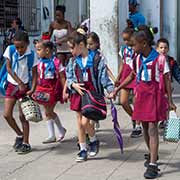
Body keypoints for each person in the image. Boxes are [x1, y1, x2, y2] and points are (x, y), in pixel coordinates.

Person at [112, 25, 176, 179]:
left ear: (144, 44)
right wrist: (117, 88)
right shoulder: (137, 59)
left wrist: (170, 101)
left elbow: (167, 80)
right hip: (140, 96)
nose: (132, 47)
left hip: (154, 96)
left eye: (134, 44)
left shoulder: (160, 59)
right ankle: (152, 153)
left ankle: (153, 165)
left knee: (153, 129)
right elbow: (132, 75)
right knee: (146, 128)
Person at [66, 30, 114, 162]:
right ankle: (82, 149)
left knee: (85, 121)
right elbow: (69, 76)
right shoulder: (73, 61)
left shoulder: (97, 58)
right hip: (78, 94)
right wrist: (73, 85)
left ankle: (93, 140)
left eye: (72, 47)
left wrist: (110, 90)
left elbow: (104, 78)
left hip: (92, 95)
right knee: (80, 124)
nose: (71, 51)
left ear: (81, 44)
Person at [3, 31, 38, 154]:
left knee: (24, 116)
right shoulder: (10, 50)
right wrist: (19, 82)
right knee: (7, 114)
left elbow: (34, 74)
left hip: (25, 88)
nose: (19, 49)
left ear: (27, 44)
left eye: (22, 47)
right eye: (17, 47)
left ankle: (26, 143)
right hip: (12, 85)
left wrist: (32, 89)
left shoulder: (32, 55)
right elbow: (8, 68)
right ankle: (19, 134)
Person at [33, 40, 66, 143]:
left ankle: (60, 130)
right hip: (43, 89)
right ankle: (54, 134)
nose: (37, 52)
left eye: (39, 49)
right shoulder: (39, 62)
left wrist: (65, 90)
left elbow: (62, 77)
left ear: (47, 50)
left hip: (54, 90)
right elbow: (37, 76)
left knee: (49, 111)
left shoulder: (56, 62)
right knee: (47, 112)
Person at [115, 27, 142, 138]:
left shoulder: (138, 48)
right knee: (123, 101)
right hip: (126, 75)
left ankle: (138, 126)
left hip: (136, 76)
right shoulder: (123, 49)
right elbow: (122, 64)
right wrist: (118, 76)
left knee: (136, 101)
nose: (126, 42)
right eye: (124, 40)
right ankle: (134, 118)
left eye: (128, 39)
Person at [156, 38, 180, 129]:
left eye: (165, 48)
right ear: (157, 49)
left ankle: (165, 120)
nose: (163, 49)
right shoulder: (155, 60)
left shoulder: (171, 61)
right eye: (161, 47)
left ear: (168, 49)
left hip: (167, 86)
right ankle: (161, 119)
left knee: (167, 102)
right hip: (156, 86)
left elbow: (177, 74)